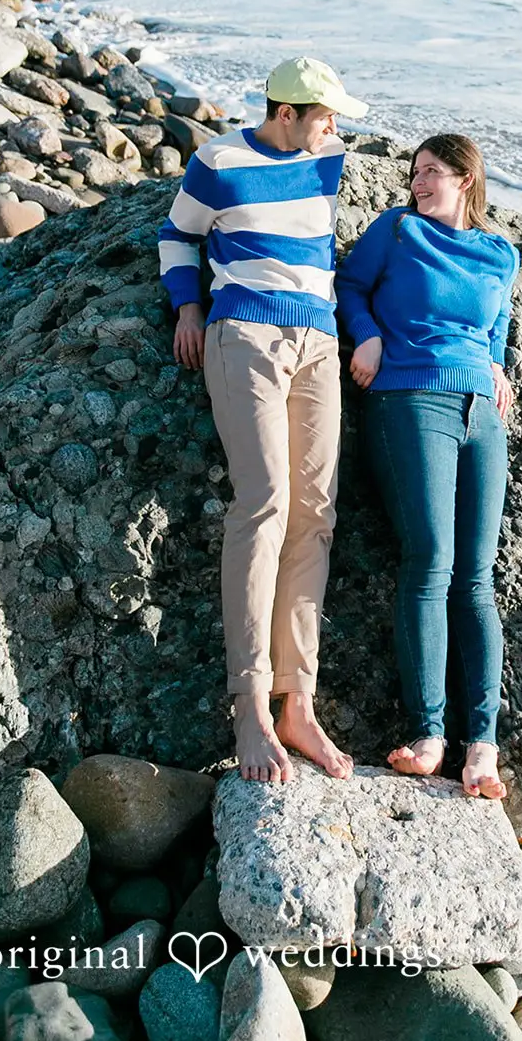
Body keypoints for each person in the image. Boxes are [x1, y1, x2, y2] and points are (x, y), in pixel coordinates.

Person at [158, 56, 368, 784]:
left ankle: (297, 702)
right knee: (264, 503)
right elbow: (176, 235)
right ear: (285, 113)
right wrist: (188, 308)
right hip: (243, 333)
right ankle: (249, 705)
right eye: (324, 115)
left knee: (316, 513)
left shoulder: (331, 159)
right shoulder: (219, 162)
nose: (333, 127)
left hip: (319, 342)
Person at [336, 134, 519, 799]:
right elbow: (349, 286)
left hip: (482, 414)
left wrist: (496, 365)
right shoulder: (397, 230)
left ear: (466, 179)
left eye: (431, 172)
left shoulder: (499, 252)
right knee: (431, 561)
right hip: (410, 397)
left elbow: (496, 325)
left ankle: (482, 747)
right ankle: (428, 735)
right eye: (414, 172)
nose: (417, 182)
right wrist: (369, 337)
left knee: (477, 578)